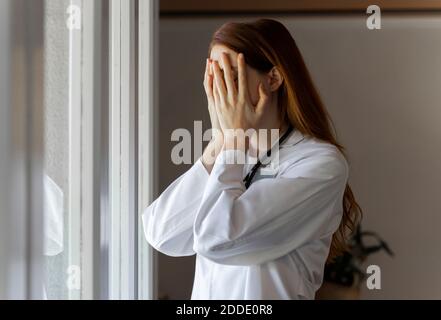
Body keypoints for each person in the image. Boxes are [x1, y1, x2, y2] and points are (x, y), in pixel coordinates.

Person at [142, 19, 361, 300]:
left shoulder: (320, 164)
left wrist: (233, 140)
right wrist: (221, 139)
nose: (222, 91)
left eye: (231, 75)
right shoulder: (232, 156)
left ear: (272, 79)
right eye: (214, 77)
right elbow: (162, 232)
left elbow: (218, 239)